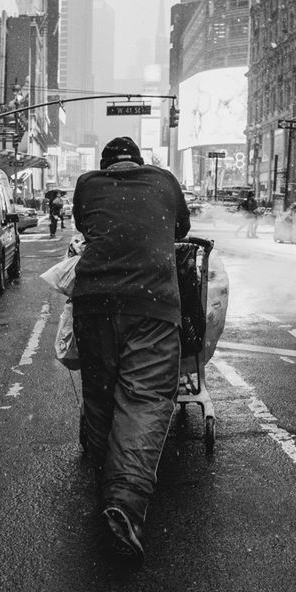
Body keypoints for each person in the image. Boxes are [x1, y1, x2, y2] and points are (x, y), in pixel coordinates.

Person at [71, 136, 191, 569]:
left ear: (106, 165)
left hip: (94, 302)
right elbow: (181, 230)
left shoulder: (88, 183)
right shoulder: (163, 180)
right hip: (153, 306)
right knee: (143, 402)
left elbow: (86, 228)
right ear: (138, 162)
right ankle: (123, 505)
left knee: (101, 398)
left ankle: (107, 489)